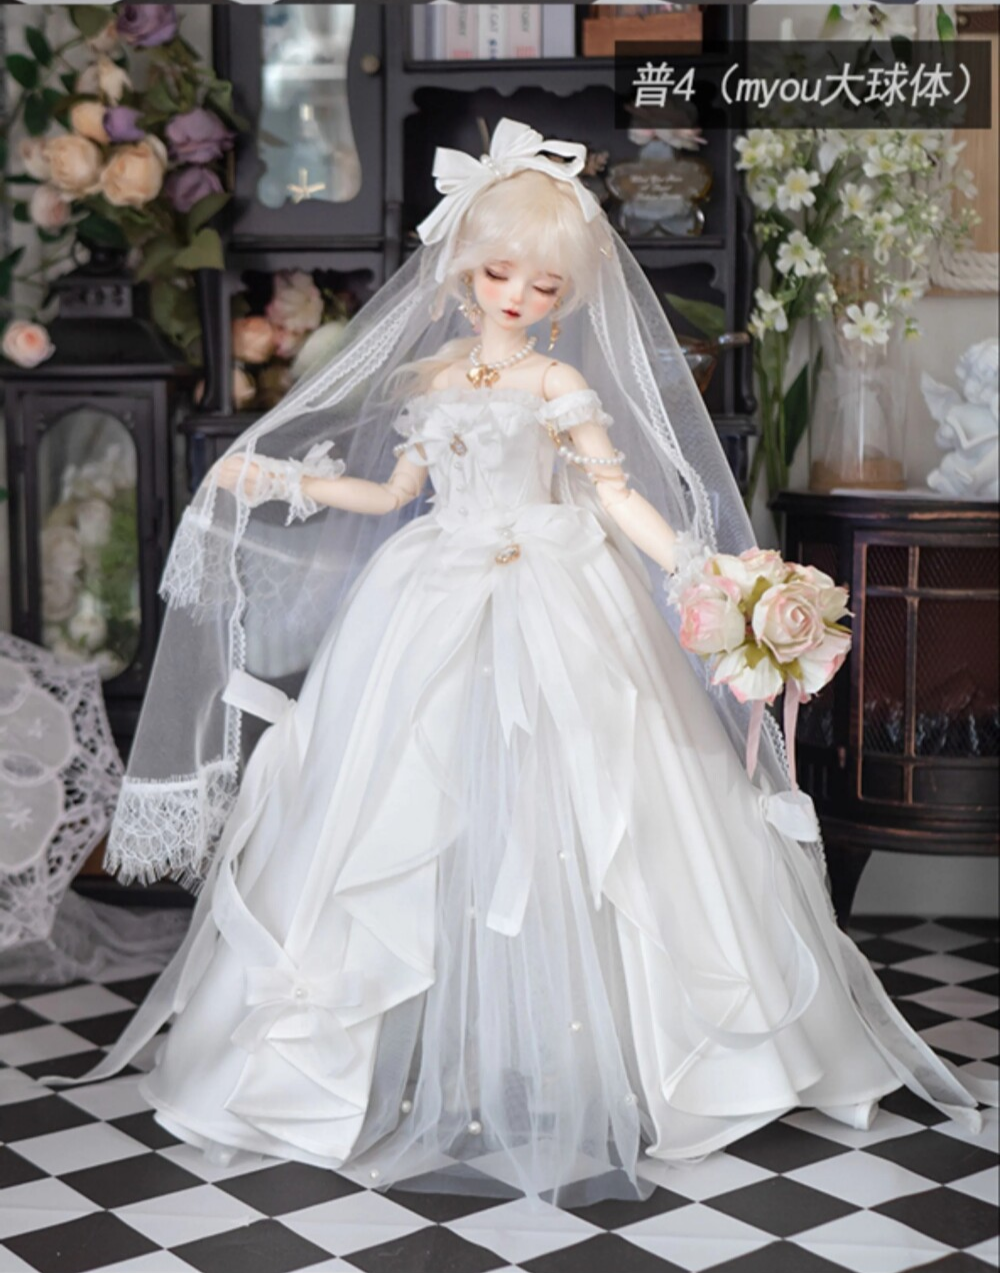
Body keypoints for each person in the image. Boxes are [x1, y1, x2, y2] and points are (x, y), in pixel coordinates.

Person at [45, 119, 996, 1208]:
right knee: (404, 801)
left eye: (543, 285)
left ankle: (636, 1054)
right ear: (463, 270)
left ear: (565, 294)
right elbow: (392, 494)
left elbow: (614, 494)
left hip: (556, 587)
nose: (519, 296)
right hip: (431, 591)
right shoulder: (431, 375)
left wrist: (707, 572)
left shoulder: (553, 384)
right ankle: (386, 1050)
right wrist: (282, 482)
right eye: (501, 274)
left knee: (597, 798)